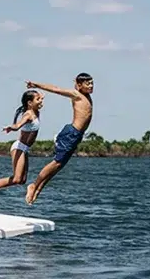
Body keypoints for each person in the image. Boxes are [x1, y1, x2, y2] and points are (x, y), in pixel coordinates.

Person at [23, 73, 94, 204]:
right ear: (79, 85)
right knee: (56, 163)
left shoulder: (86, 96)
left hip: (76, 136)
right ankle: (33, 186)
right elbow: (56, 89)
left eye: (92, 83)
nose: (91, 86)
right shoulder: (76, 95)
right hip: (70, 133)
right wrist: (36, 85)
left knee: (59, 166)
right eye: (87, 83)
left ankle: (38, 190)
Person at [0, 89, 44, 202]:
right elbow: (18, 125)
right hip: (19, 147)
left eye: (40, 99)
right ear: (29, 103)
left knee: (22, 180)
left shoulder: (36, 112)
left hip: (25, 149)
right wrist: (11, 128)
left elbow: (39, 100)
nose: (41, 101)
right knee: (17, 178)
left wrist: (40, 97)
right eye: (37, 99)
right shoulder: (28, 115)